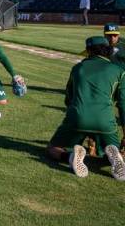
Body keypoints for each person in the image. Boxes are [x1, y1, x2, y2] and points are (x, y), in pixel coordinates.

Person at [46, 36, 125, 180]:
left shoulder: (78, 68)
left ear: (89, 51)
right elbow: (123, 104)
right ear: (108, 50)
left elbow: (68, 99)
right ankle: (114, 157)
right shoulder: (118, 71)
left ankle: (70, 157)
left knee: (53, 148)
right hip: (105, 121)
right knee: (114, 151)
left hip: (78, 118)